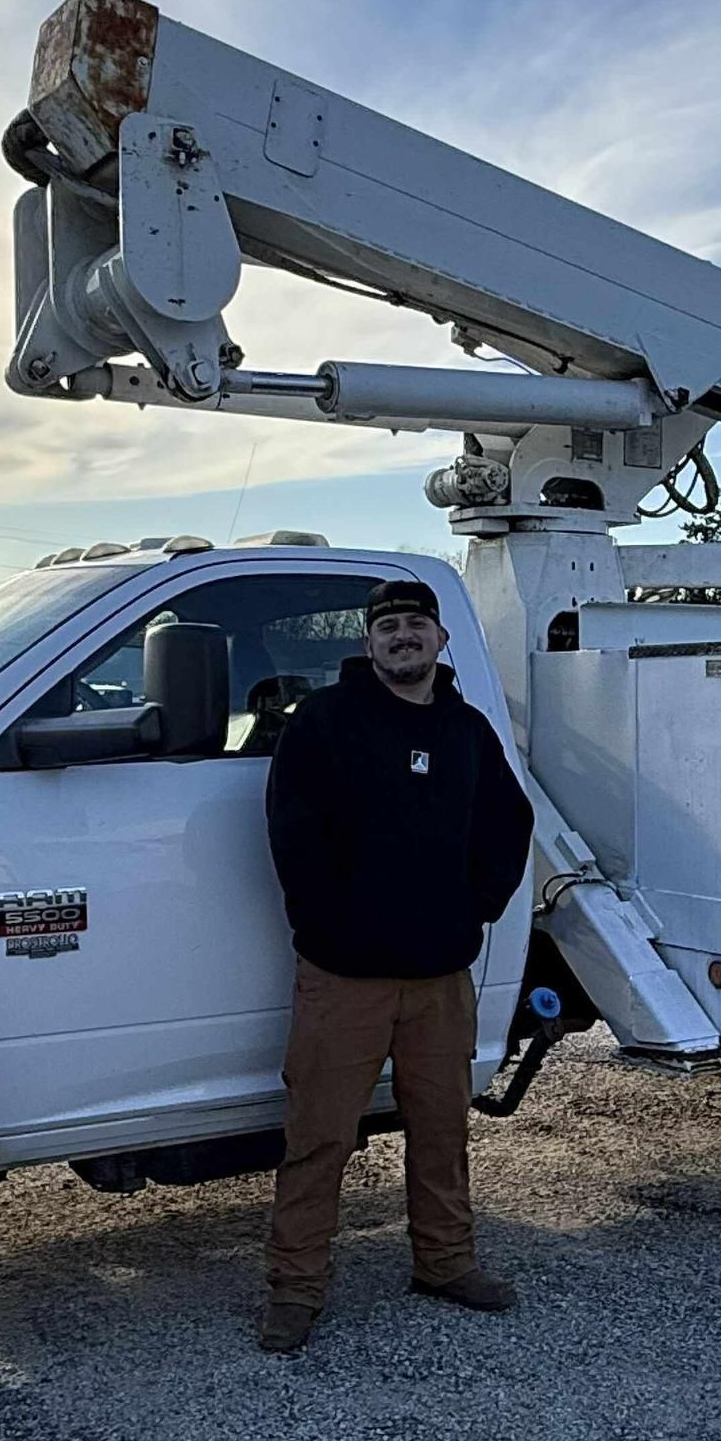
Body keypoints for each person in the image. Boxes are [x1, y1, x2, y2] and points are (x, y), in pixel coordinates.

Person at [259, 578, 535, 1354]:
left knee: (442, 1130)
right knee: (320, 1138)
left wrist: (472, 909)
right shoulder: (324, 722)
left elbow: (509, 824)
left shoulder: (467, 731)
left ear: (441, 640)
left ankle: (445, 1263)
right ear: (368, 643)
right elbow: (292, 834)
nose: (403, 636)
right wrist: (331, 921)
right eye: (388, 627)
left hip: (441, 979)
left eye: (417, 623)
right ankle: (295, 1290)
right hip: (343, 978)